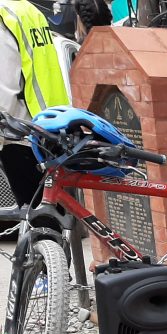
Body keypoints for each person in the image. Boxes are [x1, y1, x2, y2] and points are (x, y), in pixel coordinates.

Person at [0, 0, 71, 205]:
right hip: (49, 124)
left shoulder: (4, 16)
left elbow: (4, 88)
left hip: (19, 132)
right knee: (51, 211)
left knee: (37, 217)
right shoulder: (27, 9)